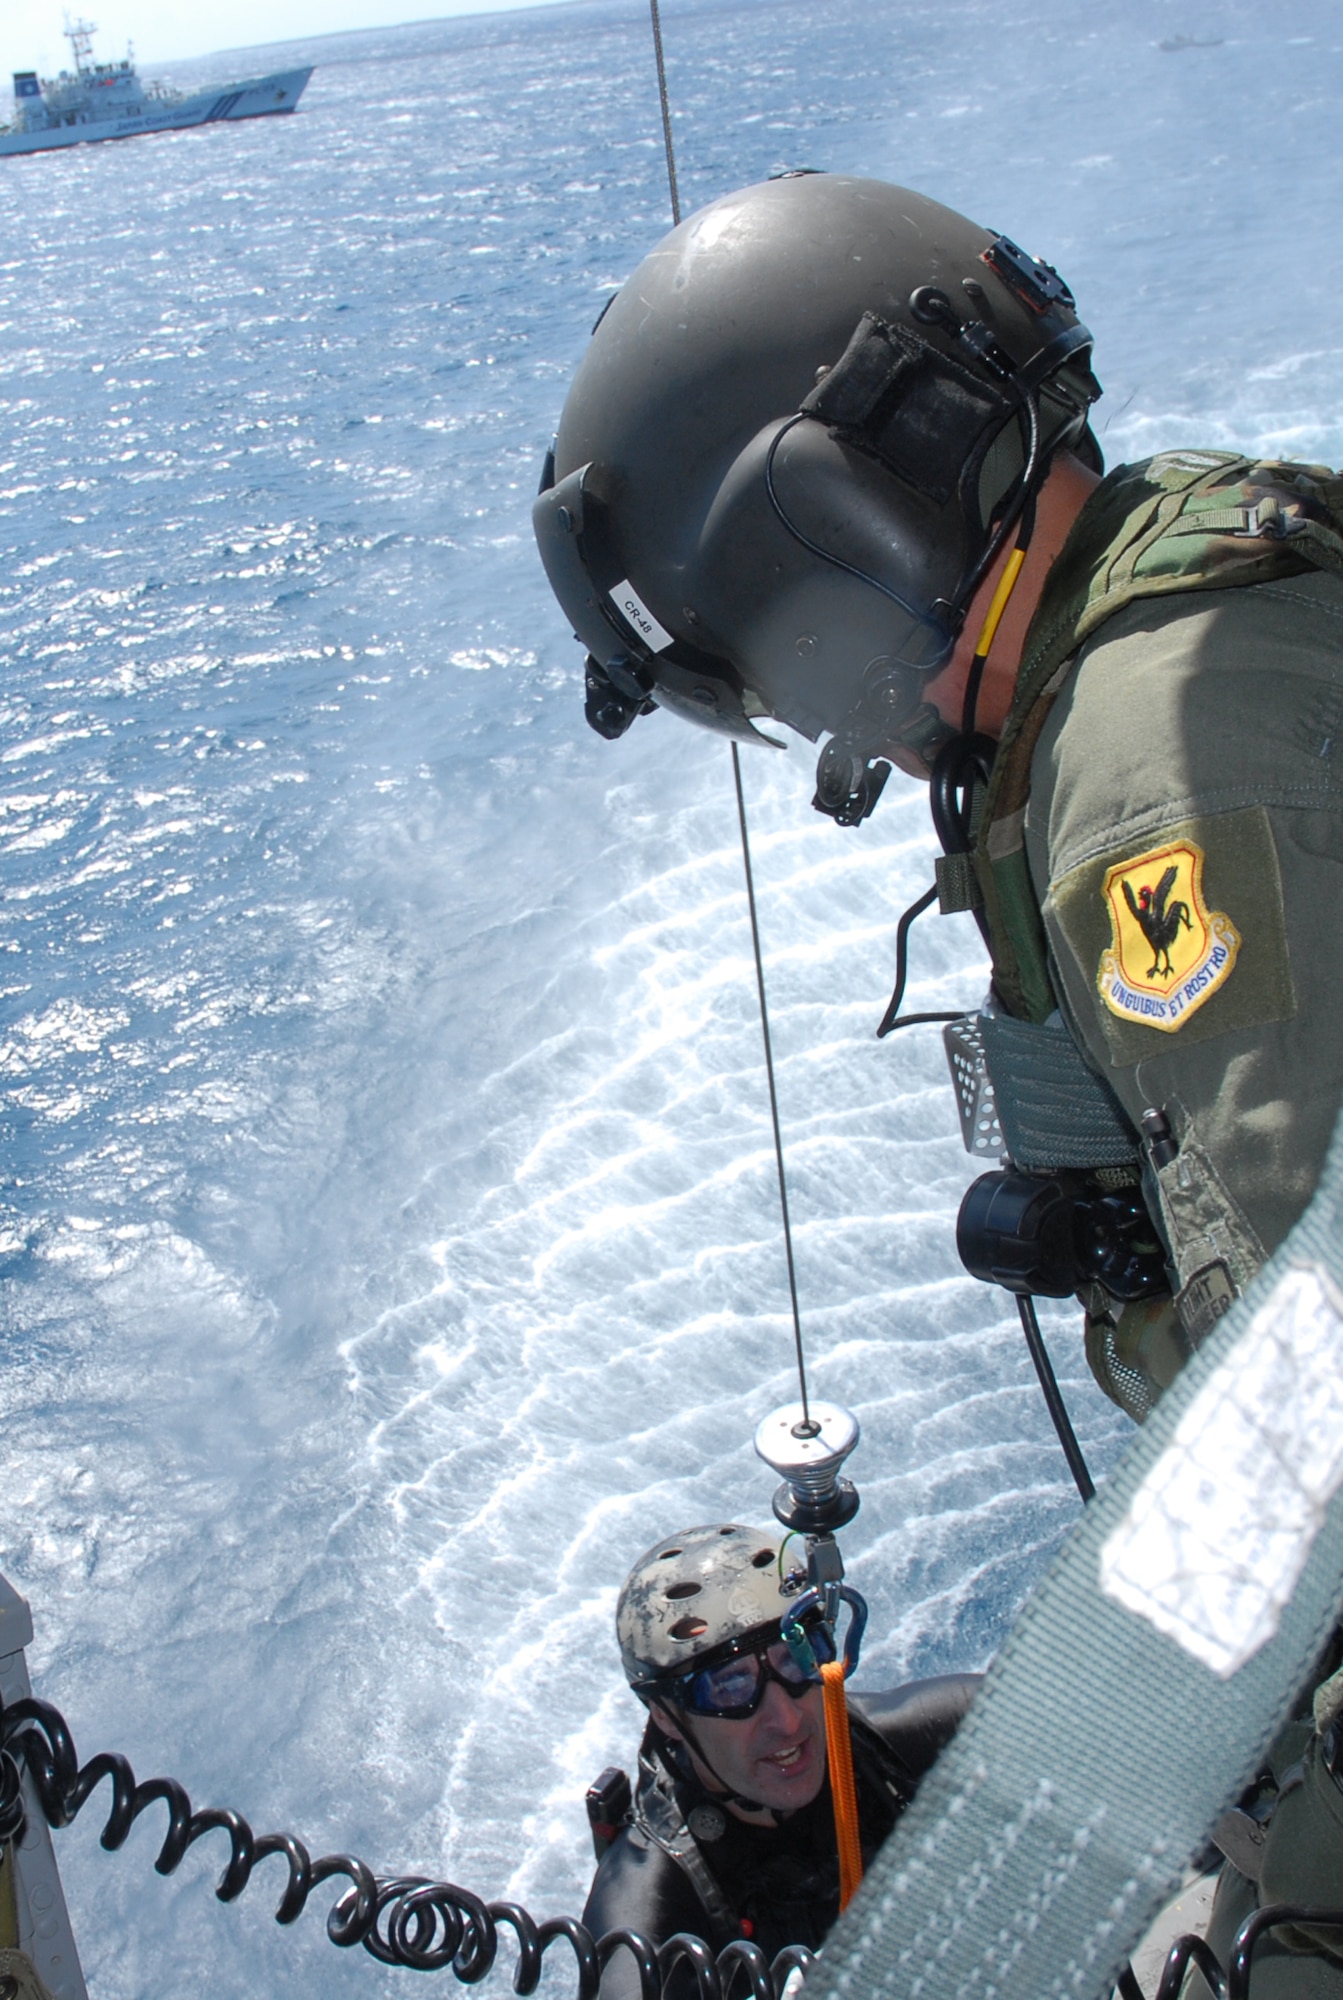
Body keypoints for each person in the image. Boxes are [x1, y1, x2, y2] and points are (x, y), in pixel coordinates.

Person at [535, 172, 1343, 1988]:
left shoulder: (1151, 777)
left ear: (839, 533)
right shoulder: (1195, 592)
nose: (835, 731)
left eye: (782, 670)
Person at [583, 1522, 977, 1997]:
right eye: (729, 1685)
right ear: (666, 1716)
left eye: (798, 1656)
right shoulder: (650, 1905)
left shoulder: (898, 1748)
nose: (786, 1720)